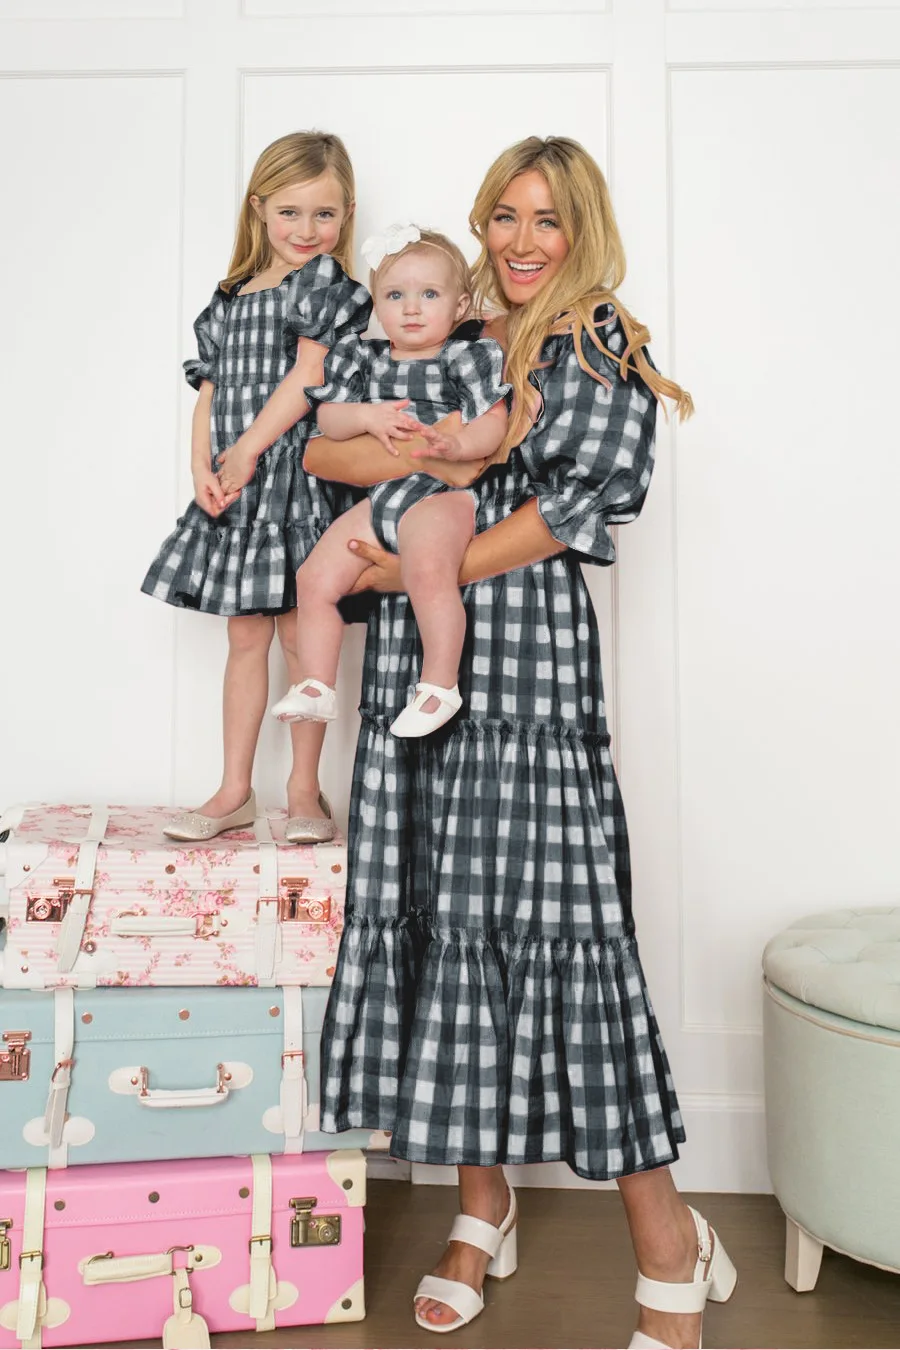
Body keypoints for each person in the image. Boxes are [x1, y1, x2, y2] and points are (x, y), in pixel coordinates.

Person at [308, 136, 735, 1349]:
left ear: (583, 229)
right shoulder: (452, 325)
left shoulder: (592, 335)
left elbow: (574, 508)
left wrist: (413, 558)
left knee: (564, 926)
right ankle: (479, 1210)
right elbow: (326, 449)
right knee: (442, 909)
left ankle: (669, 1244)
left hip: (526, 662)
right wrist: (408, 477)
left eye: (548, 218)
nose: (522, 239)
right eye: (505, 214)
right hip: (422, 656)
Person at [141, 131, 371, 844]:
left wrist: (246, 451)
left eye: (324, 214)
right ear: (259, 208)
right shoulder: (232, 294)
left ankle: (305, 790)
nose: (307, 229)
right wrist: (202, 468)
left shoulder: (326, 287)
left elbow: (309, 376)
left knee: (304, 638)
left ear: (347, 214)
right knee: (245, 637)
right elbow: (208, 390)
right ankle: (234, 788)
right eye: (290, 212)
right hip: (237, 487)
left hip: (295, 479)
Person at [271, 225, 509, 739]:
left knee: (427, 570)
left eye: (430, 295)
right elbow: (328, 420)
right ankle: (316, 684)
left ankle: (439, 685)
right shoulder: (365, 359)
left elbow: (493, 421)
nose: (412, 309)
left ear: (460, 305)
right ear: (377, 304)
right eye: (395, 295)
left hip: (443, 495)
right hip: (385, 498)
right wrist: (366, 416)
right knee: (314, 578)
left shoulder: (465, 357)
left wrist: (458, 445)